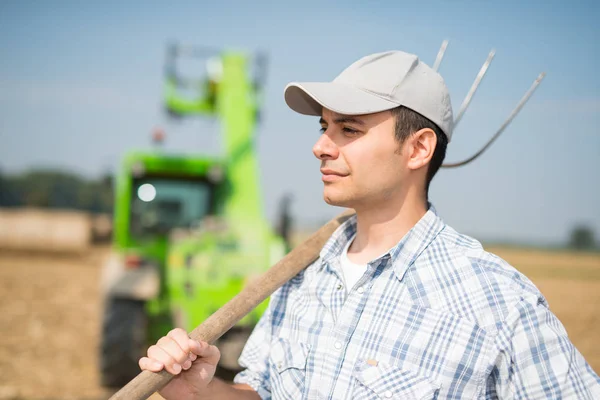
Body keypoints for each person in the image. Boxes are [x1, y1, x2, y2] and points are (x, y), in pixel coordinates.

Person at [139, 50, 600, 399]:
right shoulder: (301, 277)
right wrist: (200, 391)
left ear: (418, 149)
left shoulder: (495, 301)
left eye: (349, 130)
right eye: (323, 126)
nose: (321, 146)